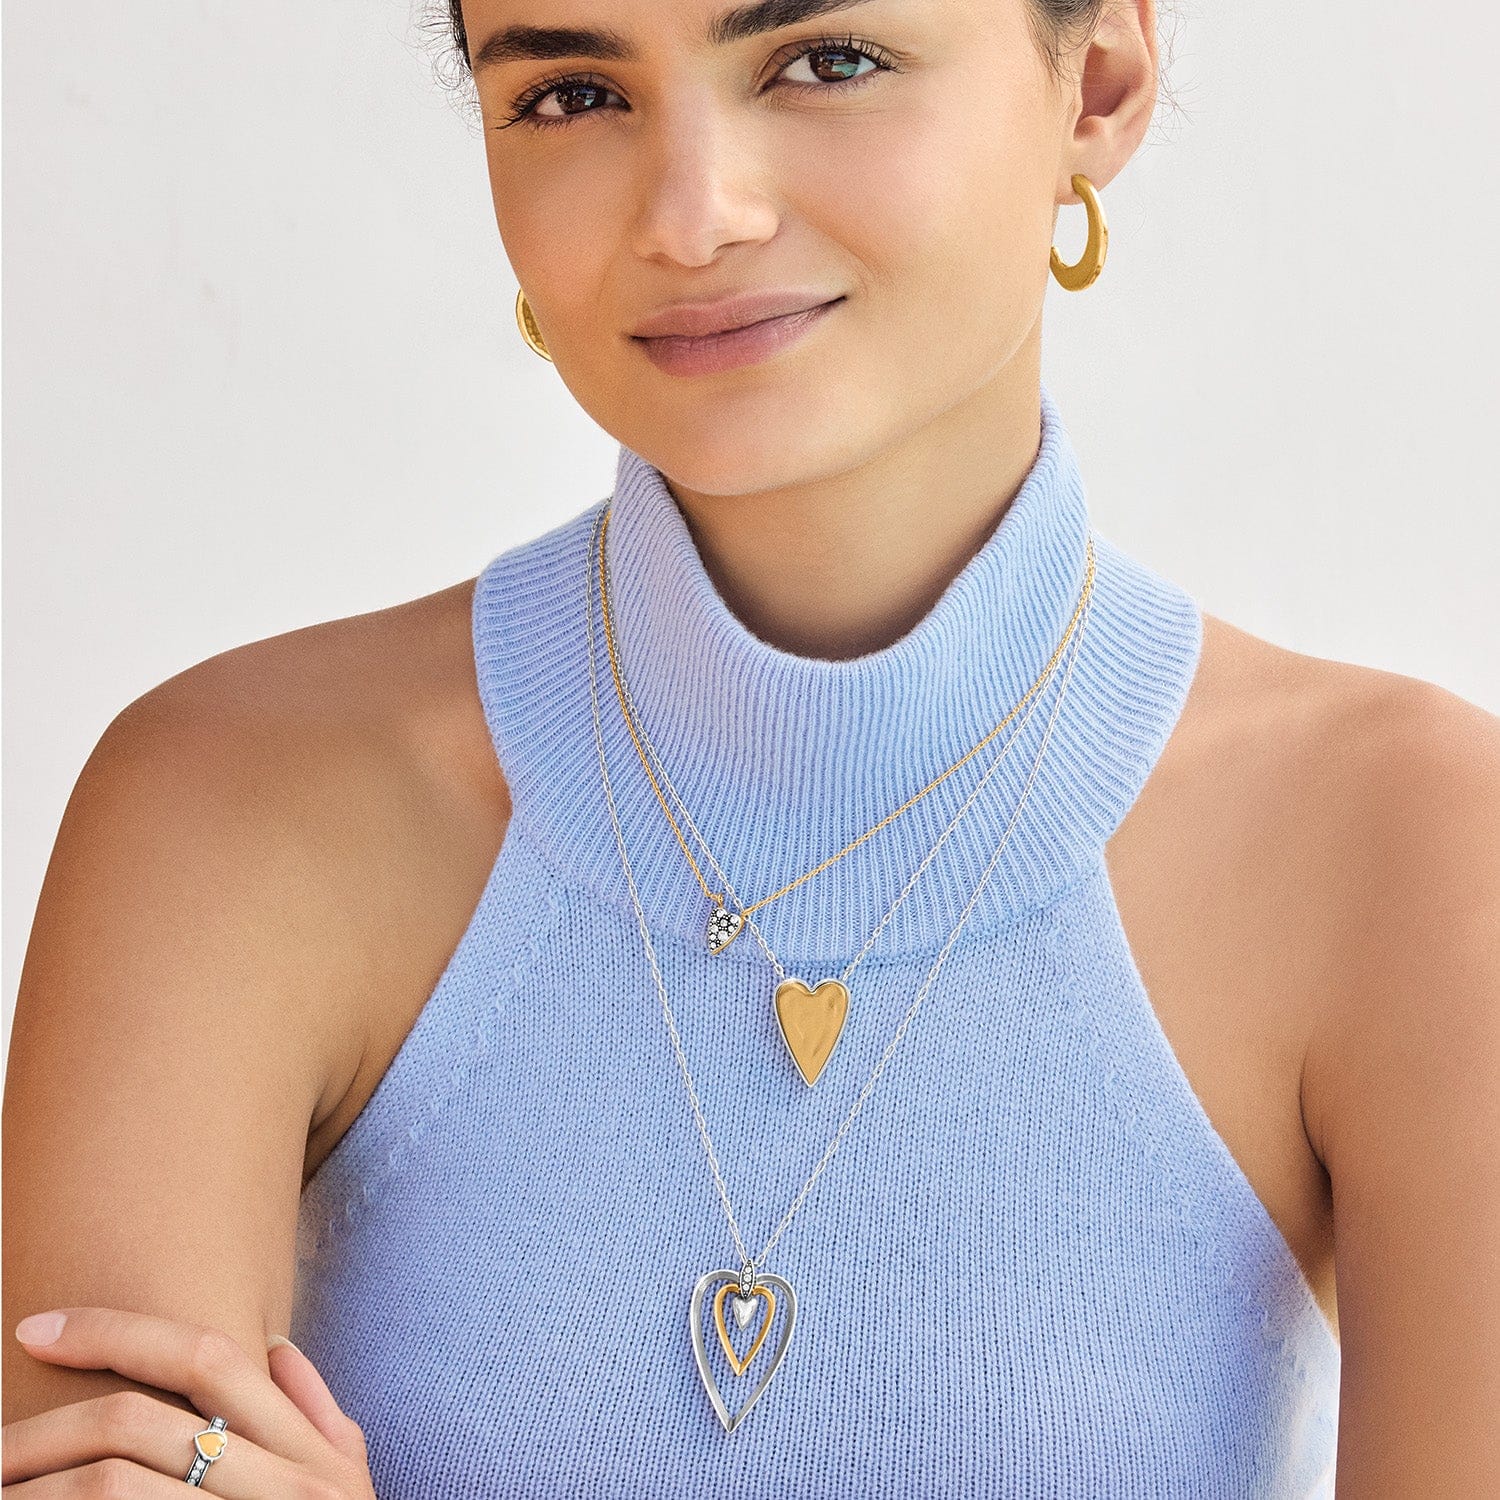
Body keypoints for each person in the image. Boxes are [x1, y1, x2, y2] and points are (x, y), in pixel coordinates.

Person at [4, 0, 1497, 1494]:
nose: (690, 215)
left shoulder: (1411, 848)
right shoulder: (230, 810)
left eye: (828, 62)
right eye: (575, 93)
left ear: (1095, 85)